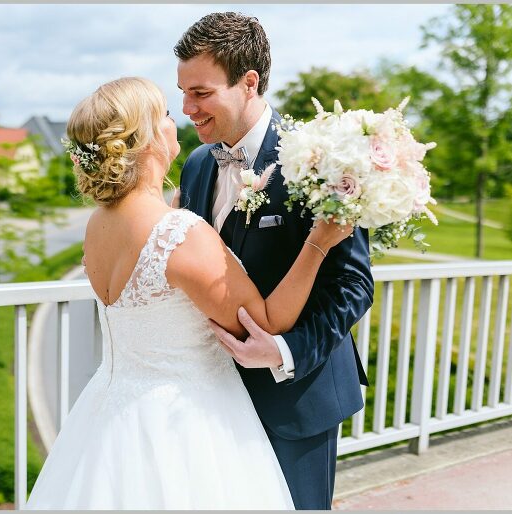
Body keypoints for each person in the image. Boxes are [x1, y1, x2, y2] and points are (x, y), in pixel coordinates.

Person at [24, 76, 353, 509]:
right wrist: (319, 244)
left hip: (113, 412)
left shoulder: (99, 224)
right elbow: (269, 323)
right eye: (162, 112)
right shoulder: (179, 232)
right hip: (188, 424)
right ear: (143, 141)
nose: (175, 117)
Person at [174, 12, 374, 510]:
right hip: (214, 394)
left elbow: (353, 284)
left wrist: (284, 352)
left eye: (200, 93)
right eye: (182, 92)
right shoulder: (198, 163)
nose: (186, 108)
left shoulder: (322, 159)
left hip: (295, 398)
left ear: (248, 83)